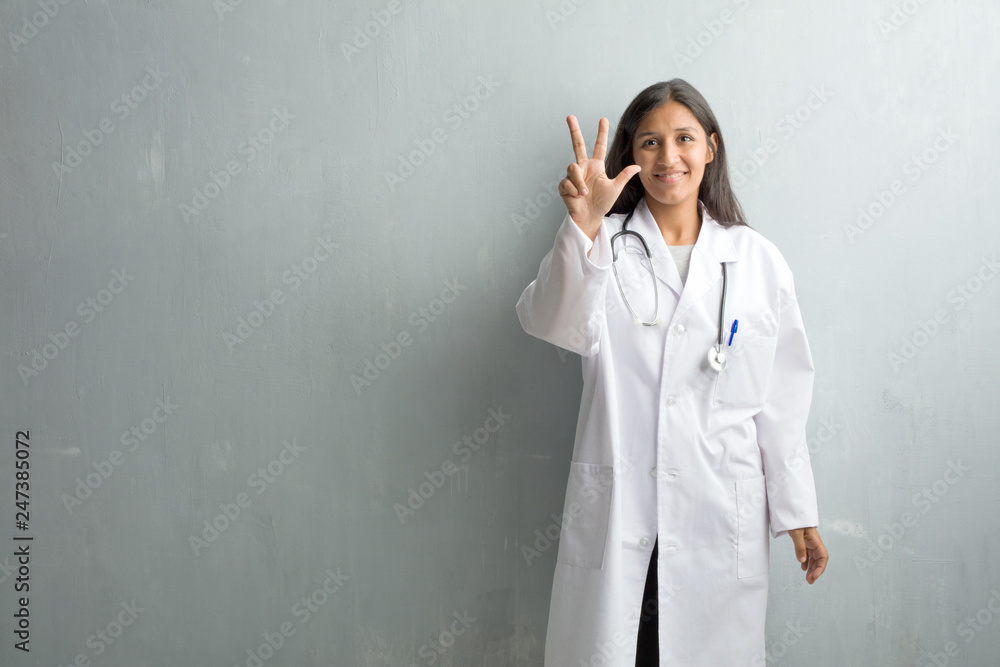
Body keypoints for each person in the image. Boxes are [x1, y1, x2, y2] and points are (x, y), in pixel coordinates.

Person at [515, 79, 829, 666]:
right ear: (631, 157)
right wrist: (582, 227)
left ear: (710, 148)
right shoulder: (602, 243)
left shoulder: (756, 260)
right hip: (624, 511)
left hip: (718, 512)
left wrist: (798, 513)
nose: (668, 157)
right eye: (650, 142)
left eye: (683, 138)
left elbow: (782, 401)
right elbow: (549, 321)